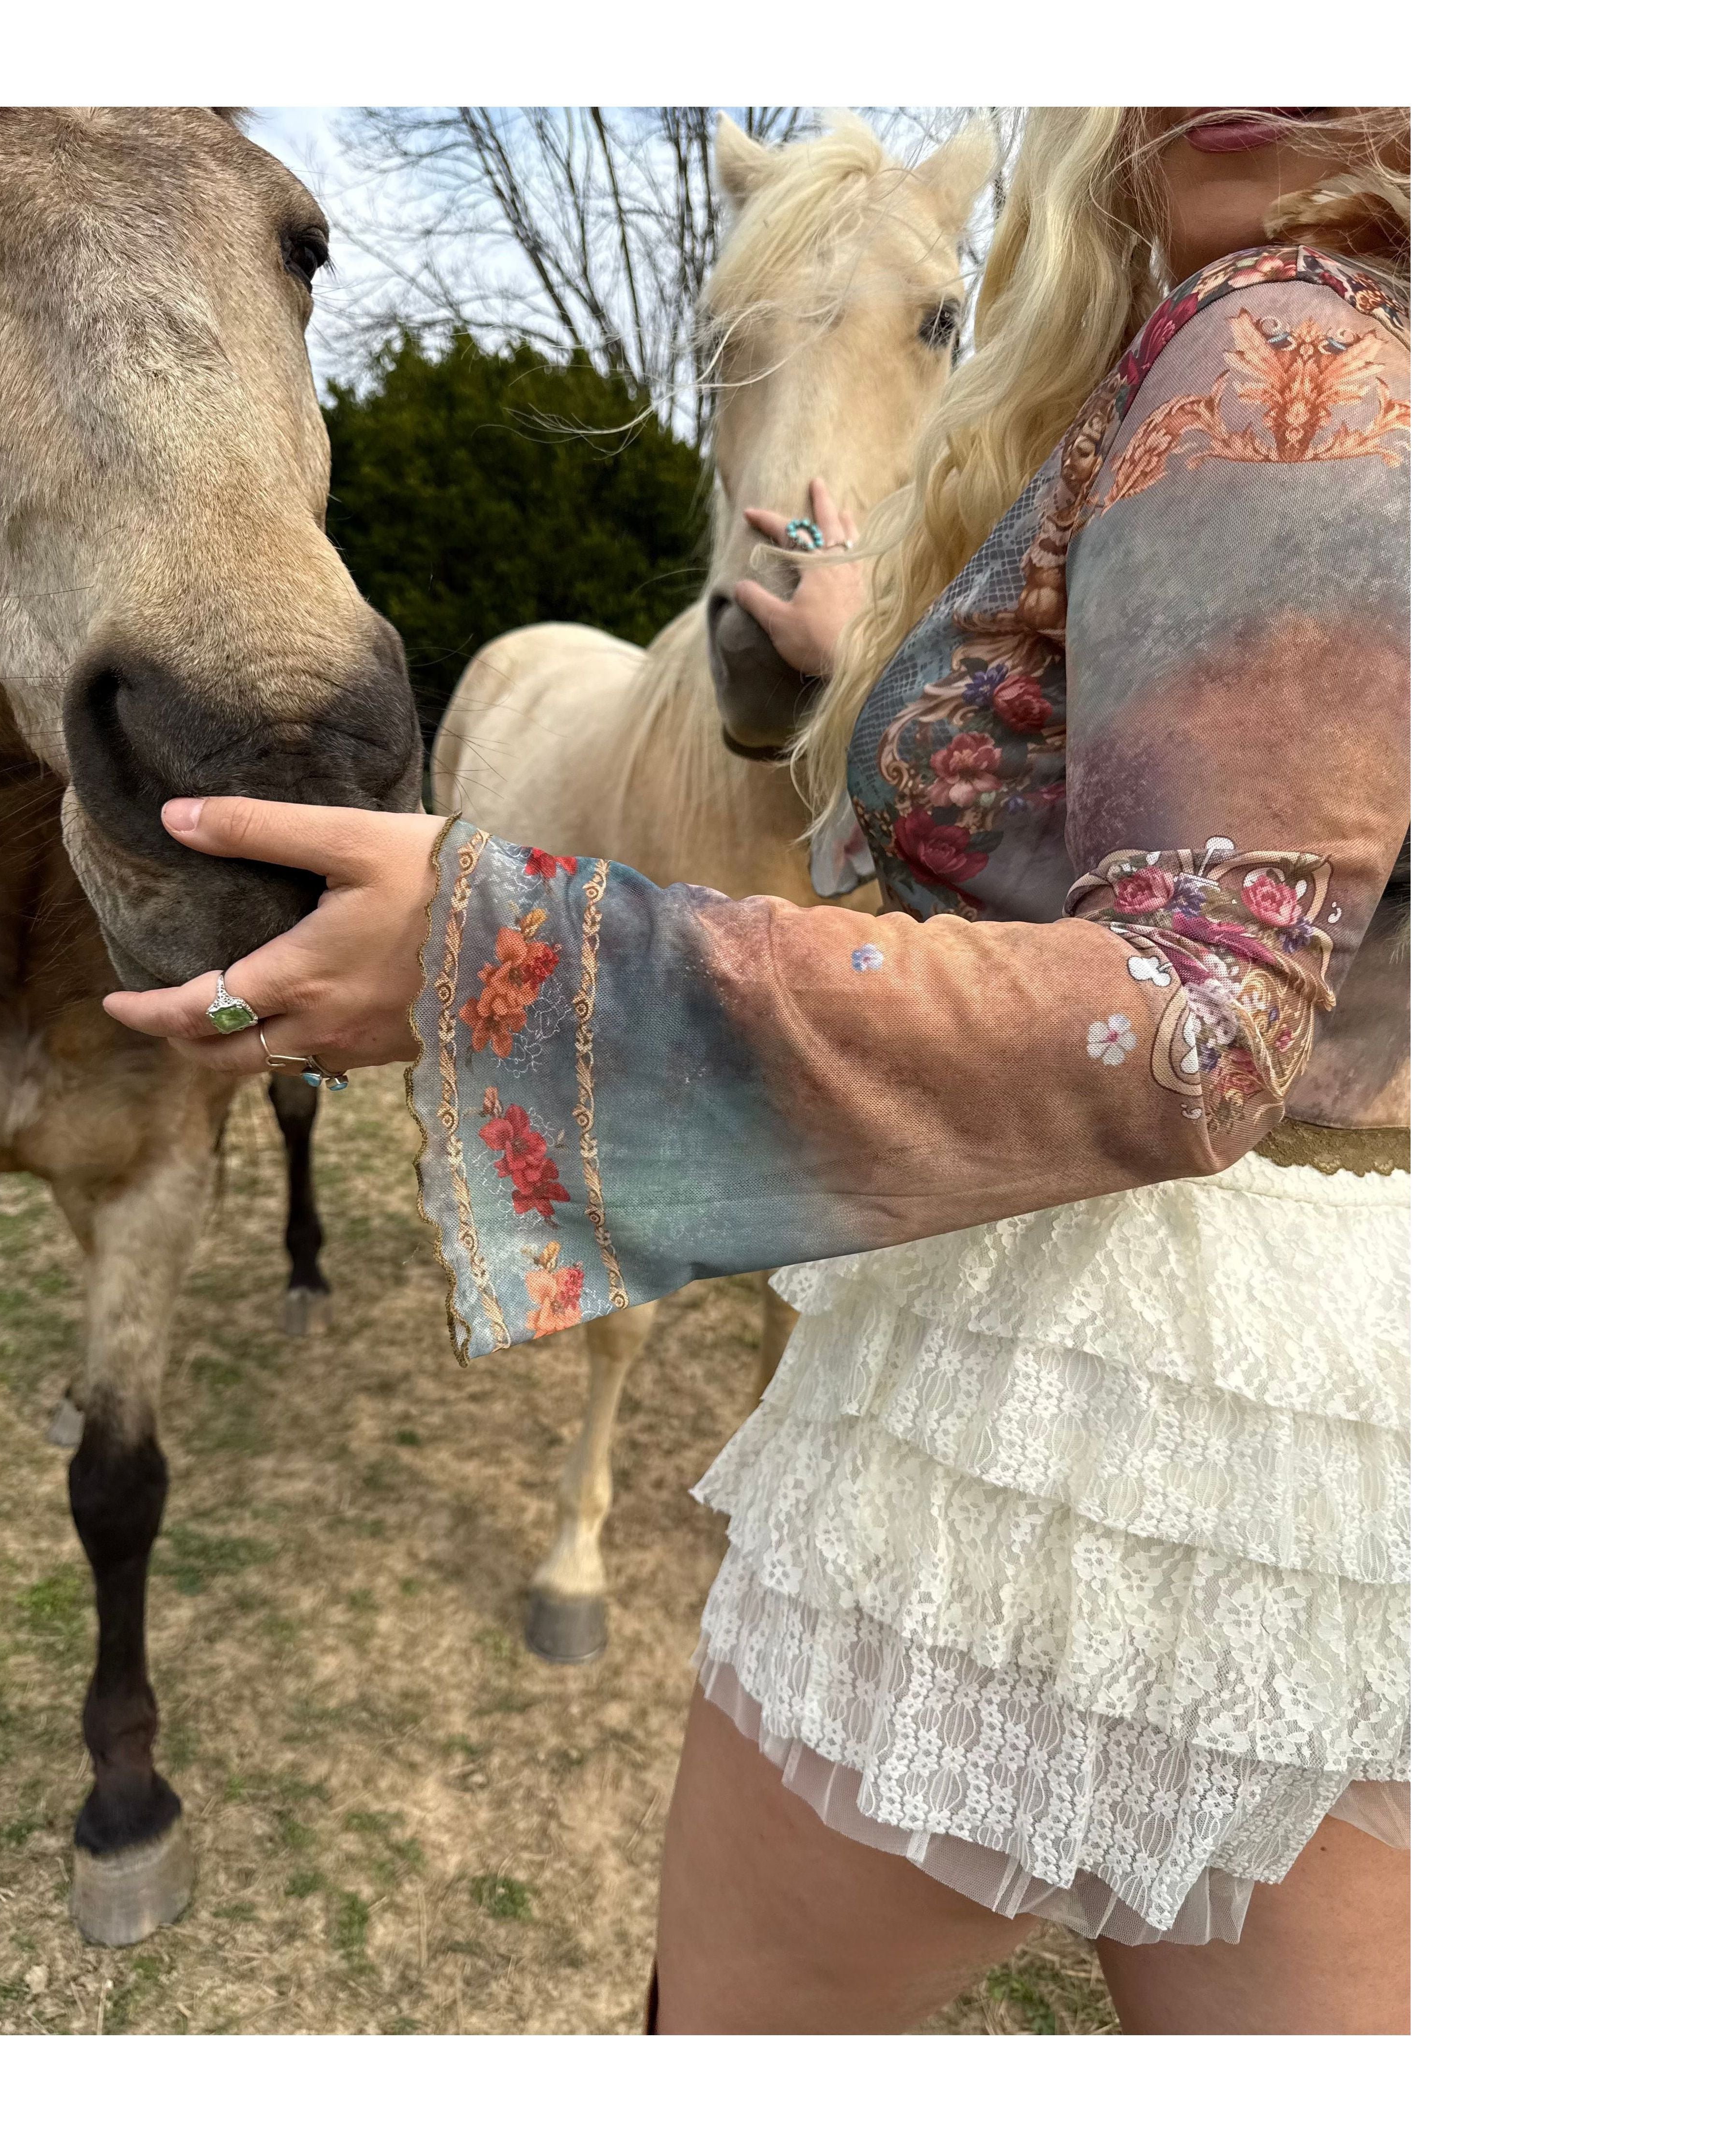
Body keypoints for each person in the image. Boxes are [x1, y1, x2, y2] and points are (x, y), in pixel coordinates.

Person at [106, 105, 1412, 2035]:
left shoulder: (1286, 341)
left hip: (1089, 1378)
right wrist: (868, 658)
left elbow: (1205, 1016)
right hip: (1343, 1417)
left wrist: (496, 959)